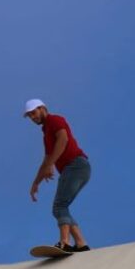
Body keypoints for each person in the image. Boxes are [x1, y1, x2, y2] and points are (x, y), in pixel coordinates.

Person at [24, 99, 92, 252]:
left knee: (59, 206)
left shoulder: (55, 120)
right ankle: (81, 244)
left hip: (76, 165)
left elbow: (63, 139)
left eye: (34, 113)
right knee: (61, 207)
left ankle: (64, 242)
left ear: (42, 108)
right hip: (74, 168)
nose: (33, 117)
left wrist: (50, 165)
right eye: (30, 116)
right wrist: (36, 183)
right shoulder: (46, 132)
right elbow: (47, 159)